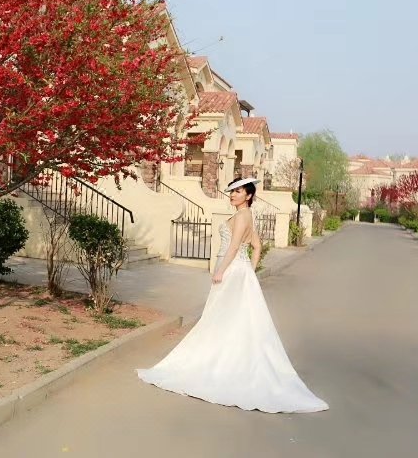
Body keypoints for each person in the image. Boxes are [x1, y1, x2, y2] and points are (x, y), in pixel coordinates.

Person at [137, 177, 328, 413]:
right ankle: (225, 360)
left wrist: (222, 271)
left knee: (219, 318)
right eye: (232, 191)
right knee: (232, 318)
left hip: (230, 269)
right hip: (240, 270)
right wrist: (249, 269)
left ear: (248, 195)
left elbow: (234, 246)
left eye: (238, 191)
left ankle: (220, 365)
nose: (232, 195)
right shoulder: (247, 215)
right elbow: (256, 246)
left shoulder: (241, 216)